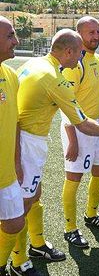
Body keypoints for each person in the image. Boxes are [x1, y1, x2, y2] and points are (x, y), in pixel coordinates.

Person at [12, 29, 99, 276]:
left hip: (22, 137)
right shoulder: (55, 79)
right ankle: (19, 262)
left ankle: (37, 245)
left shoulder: (35, 63)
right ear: (69, 51)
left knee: (34, 195)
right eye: (79, 52)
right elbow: (81, 123)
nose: (81, 57)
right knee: (22, 204)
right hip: (28, 143)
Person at [61, 17, 99, 249]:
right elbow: (67, 103)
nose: (96, 36)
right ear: (78, 35)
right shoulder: (74, 65)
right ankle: (70, 228)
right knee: (75, 177)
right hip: (78, 129)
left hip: (97, 126)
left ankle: (91, 214)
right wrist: (72, 140)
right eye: (91, 32)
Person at [0, 17, 28, 276]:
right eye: (10, 36)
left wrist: (17, 160)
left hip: (7, 173)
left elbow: (15, 122)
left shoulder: (10, 74)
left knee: (14, 223)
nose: (16, 41)